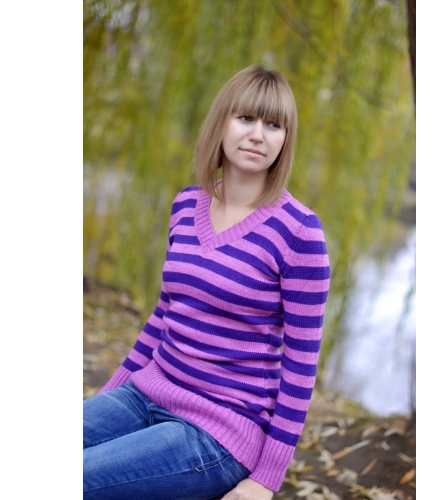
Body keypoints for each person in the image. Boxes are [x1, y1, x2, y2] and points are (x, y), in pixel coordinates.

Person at [83, 65, 331, 500]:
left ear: (285, 139)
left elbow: (300, 365)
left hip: (217, 430)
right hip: (146, 391)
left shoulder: (299, 232)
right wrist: (109, 398)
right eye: (246, 118)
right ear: (221, 122)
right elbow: (165, 313)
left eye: (273, 125)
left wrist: (266, 479)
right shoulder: (186, 204)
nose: (258, 135)